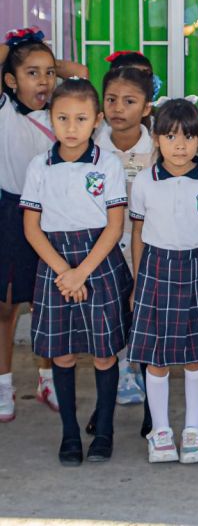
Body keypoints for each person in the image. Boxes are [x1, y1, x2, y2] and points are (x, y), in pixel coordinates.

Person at [20, 78, 132, 464]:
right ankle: (69, 432)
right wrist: (64, 272)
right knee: (62, 354)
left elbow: (115, 226)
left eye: (81, 118)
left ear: (97, 121)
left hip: (97, 261)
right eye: (62, 118)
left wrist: (81, 272)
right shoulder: (40, 166)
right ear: (50, 120)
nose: (71, 127)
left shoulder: (109, 164)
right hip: (54, 263)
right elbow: (32, 228)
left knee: (103, 353)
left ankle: (104, 430)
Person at [127, 98, 198, 463]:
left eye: (188, 136)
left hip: (197, 269)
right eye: (170, 136)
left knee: (195, 356)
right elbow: (138, 233)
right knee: (156, 359)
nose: (180, 145)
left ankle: (193, 430)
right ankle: (160, 432)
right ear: (156, 139)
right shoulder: (144, 181)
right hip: (156, 270)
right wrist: (138, 284)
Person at [0, 27, 62, 421]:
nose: (44, 80)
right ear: (10, 80)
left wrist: (43, 59)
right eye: (32, 73)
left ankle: (47, 378)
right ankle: (4, 384)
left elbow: (85, 71)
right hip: (8, 212)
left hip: (52, 214)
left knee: (47, 305)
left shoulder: (63, 112)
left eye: (50, 72)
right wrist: (17, 47)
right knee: (6, 308)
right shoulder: (3, 107)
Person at [93, 57, 156, 411]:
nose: (118, 108)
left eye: (129, 101)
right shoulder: (92, 147)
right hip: (102, 245)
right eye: (111, 99)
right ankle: (118, 367)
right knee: (110, 310)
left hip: (144, 245)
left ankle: (140, 364)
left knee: (140, 308)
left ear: (147, 107)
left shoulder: (158, 149)